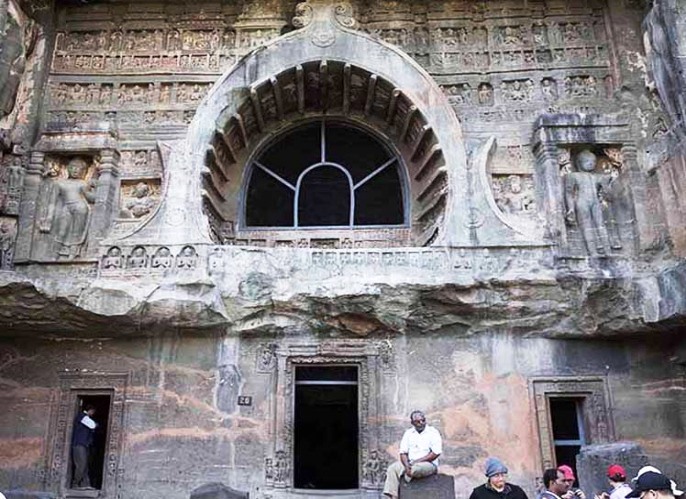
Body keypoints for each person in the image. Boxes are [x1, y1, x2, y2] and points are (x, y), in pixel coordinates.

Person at [382, 410, 442, 499]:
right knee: (392, 469)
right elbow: (403, 453)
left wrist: (416, 462)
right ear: (412, 423)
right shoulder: (408, 433)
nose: (421, 423)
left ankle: (407, 478)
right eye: (418, 422)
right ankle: (393, 495)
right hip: (410, 462)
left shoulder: (433, 432)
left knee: (414, 469)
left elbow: (435, 453)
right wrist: (406, 465)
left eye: (423, 420)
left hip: (428, 464)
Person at [71, 404, 97, 489]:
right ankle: (75, 483)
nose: (93, 413)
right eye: (93, 412)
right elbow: (92, 425)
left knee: (85, 465)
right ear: (90, 410)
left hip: (84, 445)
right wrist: (96, 424)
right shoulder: (82, 416)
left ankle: (85, 484)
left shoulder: (84, 417)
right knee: (81, 464)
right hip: (79, 444)